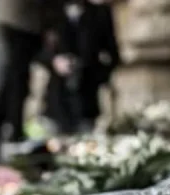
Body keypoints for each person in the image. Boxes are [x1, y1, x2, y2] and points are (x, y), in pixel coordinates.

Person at [0, 0, 59, 152]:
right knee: (17, 80)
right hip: (24, 21)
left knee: (12, 80)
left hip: (20, 19)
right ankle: (12, 132)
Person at [42, 0, 119, 134]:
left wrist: (95, 75)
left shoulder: (100, 13)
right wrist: (55, 61)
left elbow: (114, 56)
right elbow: (38, 50)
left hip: (87, 100)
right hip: (56, 99)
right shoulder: (51, 12)